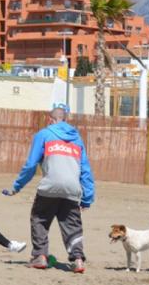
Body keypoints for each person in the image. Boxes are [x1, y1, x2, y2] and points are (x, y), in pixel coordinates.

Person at [5, 103, 94, 273]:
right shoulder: (77, 138)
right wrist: (87, 198)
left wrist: (17, 187)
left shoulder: (44, 134)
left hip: (49, 187)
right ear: (65, 119)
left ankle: (40, 256)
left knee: (39, 219)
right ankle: (77, 260)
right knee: (72, 225)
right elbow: (85, 170)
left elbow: (31, 164)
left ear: (50, 119)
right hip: (72, 189)